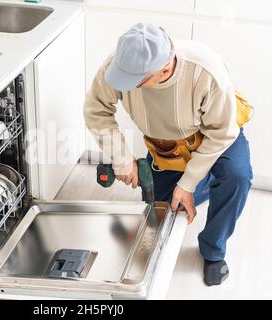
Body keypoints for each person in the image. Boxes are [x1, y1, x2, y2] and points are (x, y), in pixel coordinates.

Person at [84, 23, 253, 286]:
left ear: (164, 70)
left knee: (237, 178)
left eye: (135, 82)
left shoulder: (206, 71)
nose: (124, 84)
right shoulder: (119, 64)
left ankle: (213, 250)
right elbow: (96, 110)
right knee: (162, 212)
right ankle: (203, 183)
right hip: (167, 145)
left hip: (215, 135)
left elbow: (222, 133)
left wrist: (187, 183)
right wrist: (122, 158)